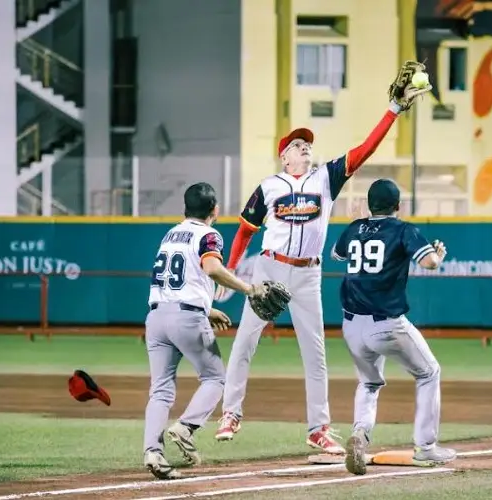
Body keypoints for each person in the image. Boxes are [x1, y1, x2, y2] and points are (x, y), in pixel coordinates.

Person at [213, 69, 431, 454]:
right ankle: (230, 413)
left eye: (307, 144)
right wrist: (230, 271)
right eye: (297, 145)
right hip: (269, 270)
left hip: (307, 274)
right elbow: (246, 230)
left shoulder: (326, 178)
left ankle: (319, 428)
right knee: (245, 342)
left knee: (314, 353)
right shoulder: (269, 187)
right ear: (284, 156)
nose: (304, 148)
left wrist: (394, 108)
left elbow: (366, 150)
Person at [330, 178, 457, 475]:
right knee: (429, 373)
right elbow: (429, 264)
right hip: (386, 324)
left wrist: (358, 228)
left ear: (367, 204)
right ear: (398, 206)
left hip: (351, 325)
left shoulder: (354, 227)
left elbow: (338, 255)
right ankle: (426, 448)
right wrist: (438, 254)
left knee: (369, 382)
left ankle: (360, 434)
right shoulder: (403, 229)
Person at [142, 182, 268, 479]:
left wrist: (206, 308)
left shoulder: (171, 233)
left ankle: (153, 451)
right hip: (185, 319)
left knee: (160, 389)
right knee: (215, 378)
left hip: (157, 316)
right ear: (215, 210)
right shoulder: (208, 234)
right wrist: (249, 288)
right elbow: (211, 268)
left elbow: (176, 278)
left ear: (185, 209)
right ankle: (185, 427)